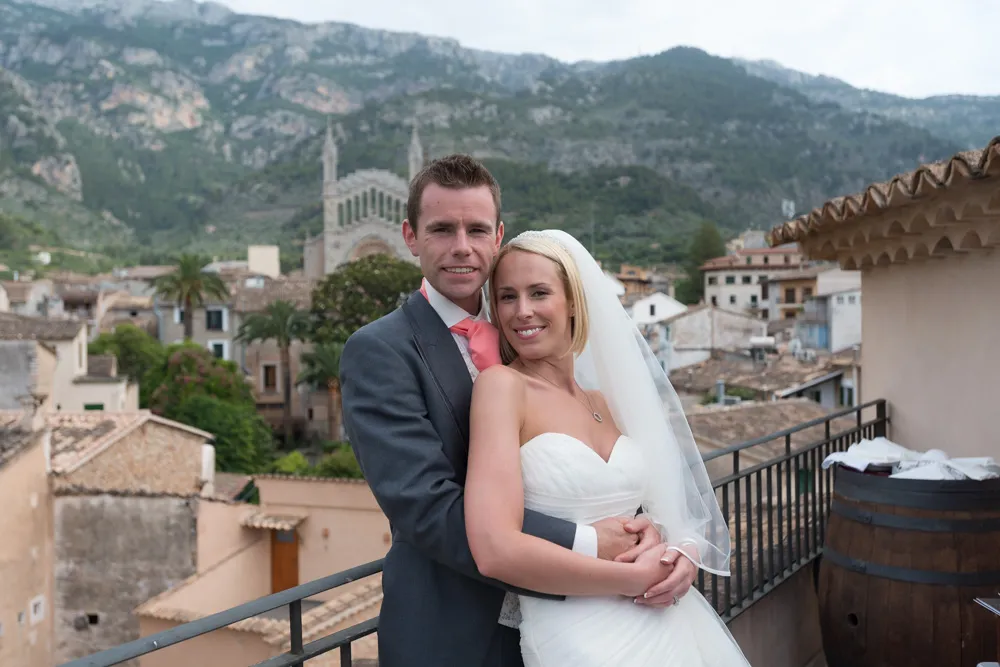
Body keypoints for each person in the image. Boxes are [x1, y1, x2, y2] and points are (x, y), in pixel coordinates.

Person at [340, 154, 675, 667]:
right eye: (441, 229)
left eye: (476, 229)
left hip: (578, 627)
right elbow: (429, 508)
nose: (461, 247)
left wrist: (641, 529)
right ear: (411, 236)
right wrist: (589, 545)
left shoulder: (528, 336)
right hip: (455, 635)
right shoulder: (379, 351)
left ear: (498, 237)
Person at [464, 229, 752, 666]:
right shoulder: (502, 388)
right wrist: (627, 577)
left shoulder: (605, 401)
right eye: (507, 297)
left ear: (575, 301)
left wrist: (678, 550)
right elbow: (495, 550)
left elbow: (659, 507)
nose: (522, 312)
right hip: (578, 634)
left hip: (664, 620)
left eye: (539, 292)